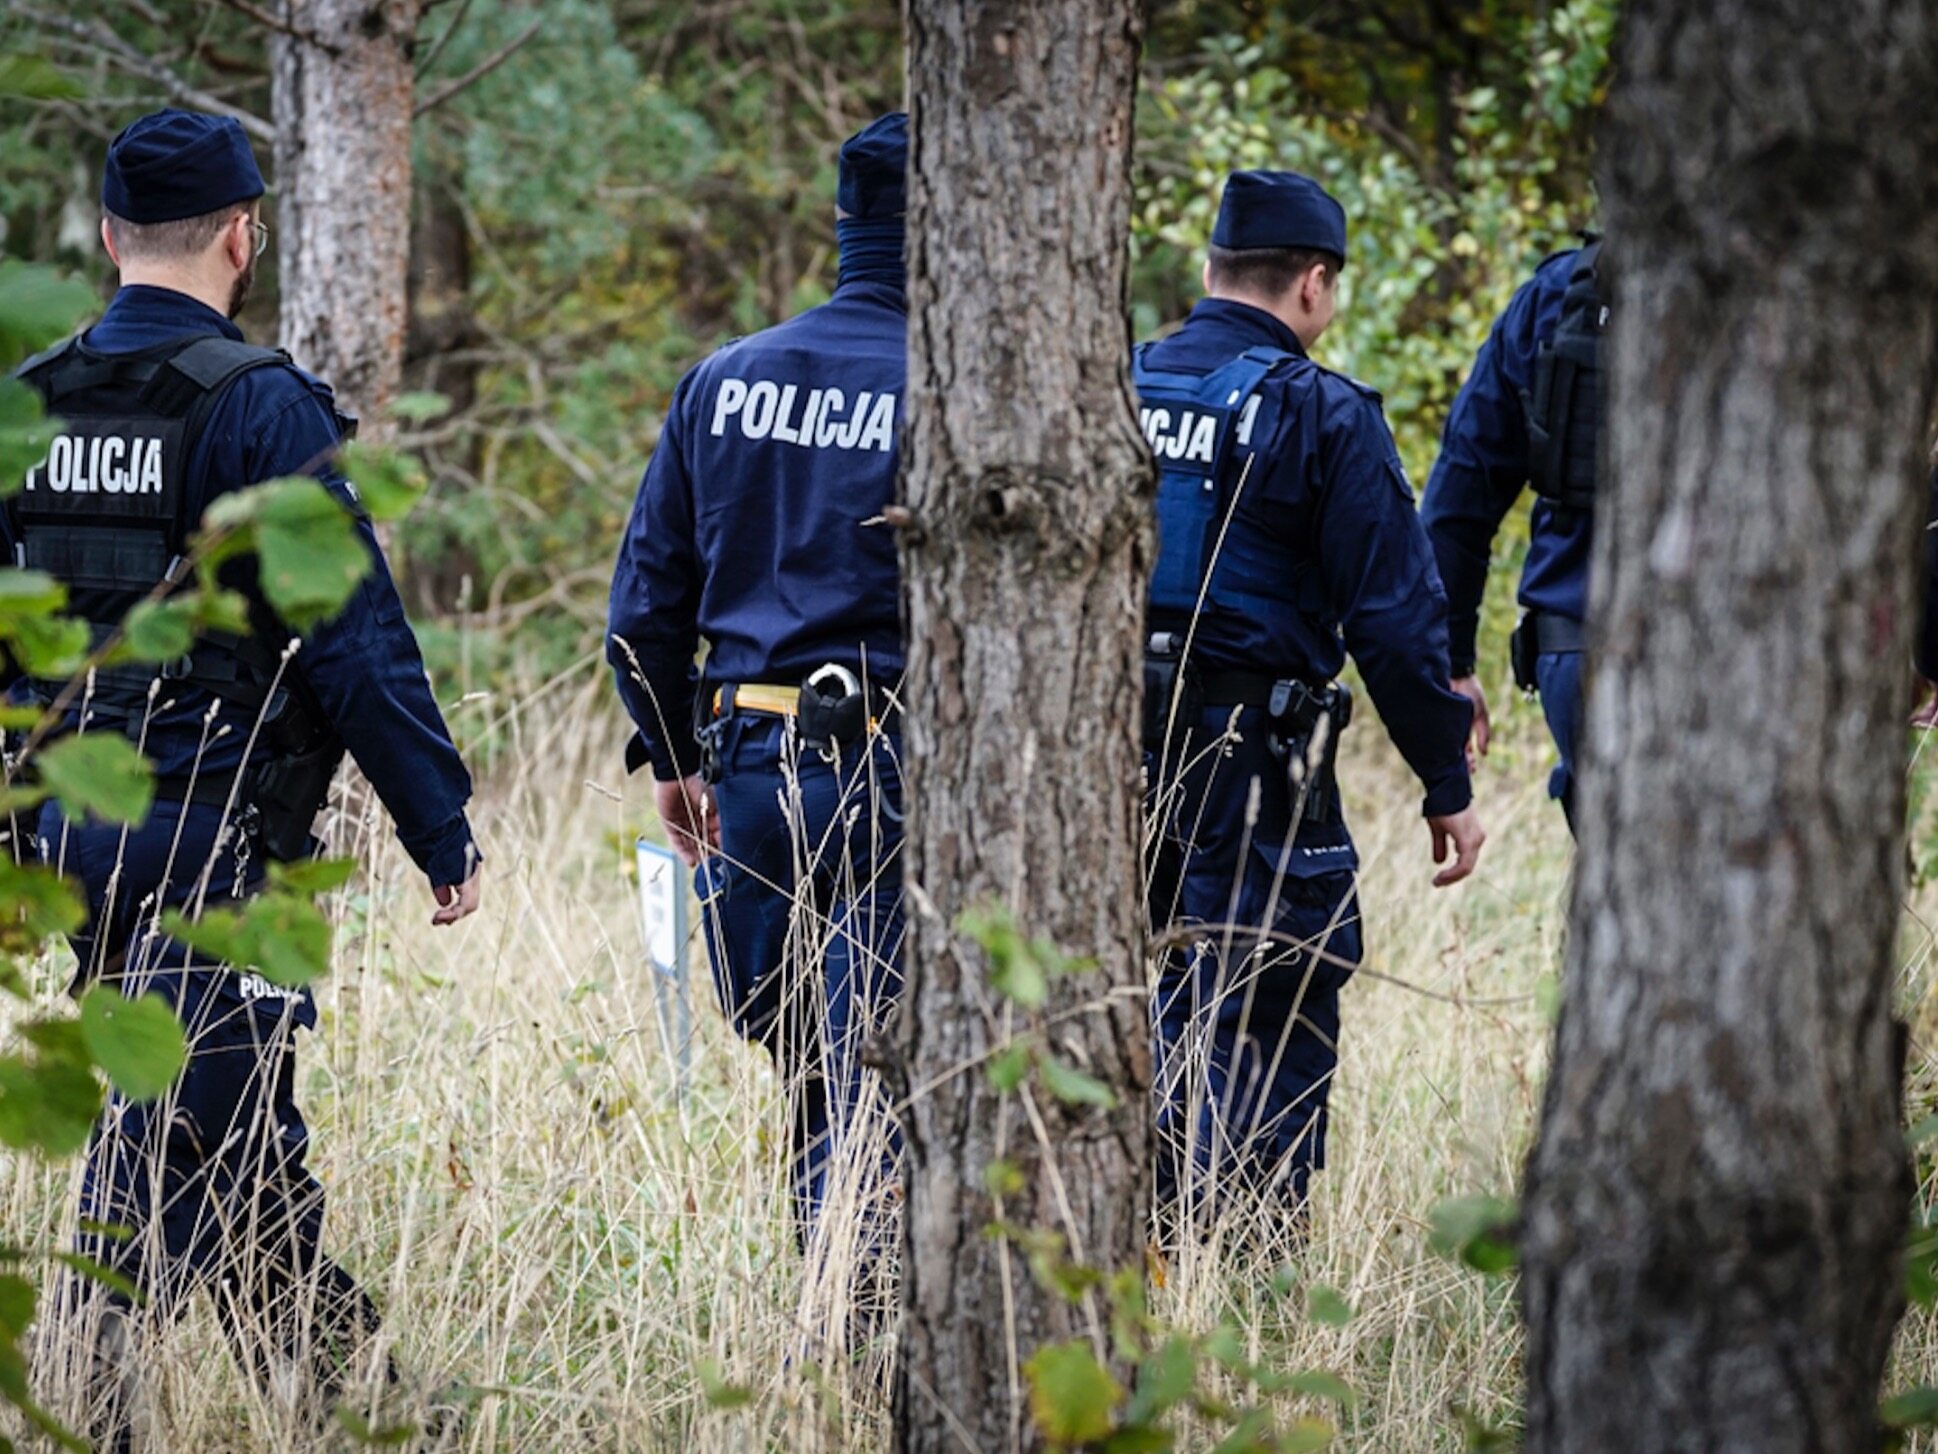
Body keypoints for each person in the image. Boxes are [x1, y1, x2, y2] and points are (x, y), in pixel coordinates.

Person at [8, 109, 482, 1445]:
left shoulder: (26, 404)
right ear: (240, 233)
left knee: (240, 1141)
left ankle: (360, 1408)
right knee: (169, 1126)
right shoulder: (256, 404)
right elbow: (354, 639)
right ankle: (86, 1404)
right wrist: (438, 821)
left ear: (108, 238)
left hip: (58, 846)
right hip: (210, 847)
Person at [1137, 170, 1485, 1233]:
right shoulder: (1321, 414)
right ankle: (1231, 1263)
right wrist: (1446, 778)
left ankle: (1120, 1242)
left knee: (1109, 988)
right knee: (1264, 995)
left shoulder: (1112, 383)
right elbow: (1394, 616)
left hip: (1095, 751)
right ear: (1315, 287)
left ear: (1208, 272)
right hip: (1254, 768)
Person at [607, 114, 908, 1258]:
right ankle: (846, 1329)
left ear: (843, 225)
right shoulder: (969, 394)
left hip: (743, 776)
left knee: (814, 1060)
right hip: (889, 770)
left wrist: (675, 759)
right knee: (865, 1067)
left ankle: (825, 1312)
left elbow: (642, 614)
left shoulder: (722, 380)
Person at [1420, 240, 1600, 829]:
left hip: (1581, 650)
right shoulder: (1789, 280)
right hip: (1755, 655)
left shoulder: (1559, 294)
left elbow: (1458, 498)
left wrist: (1451, 663)